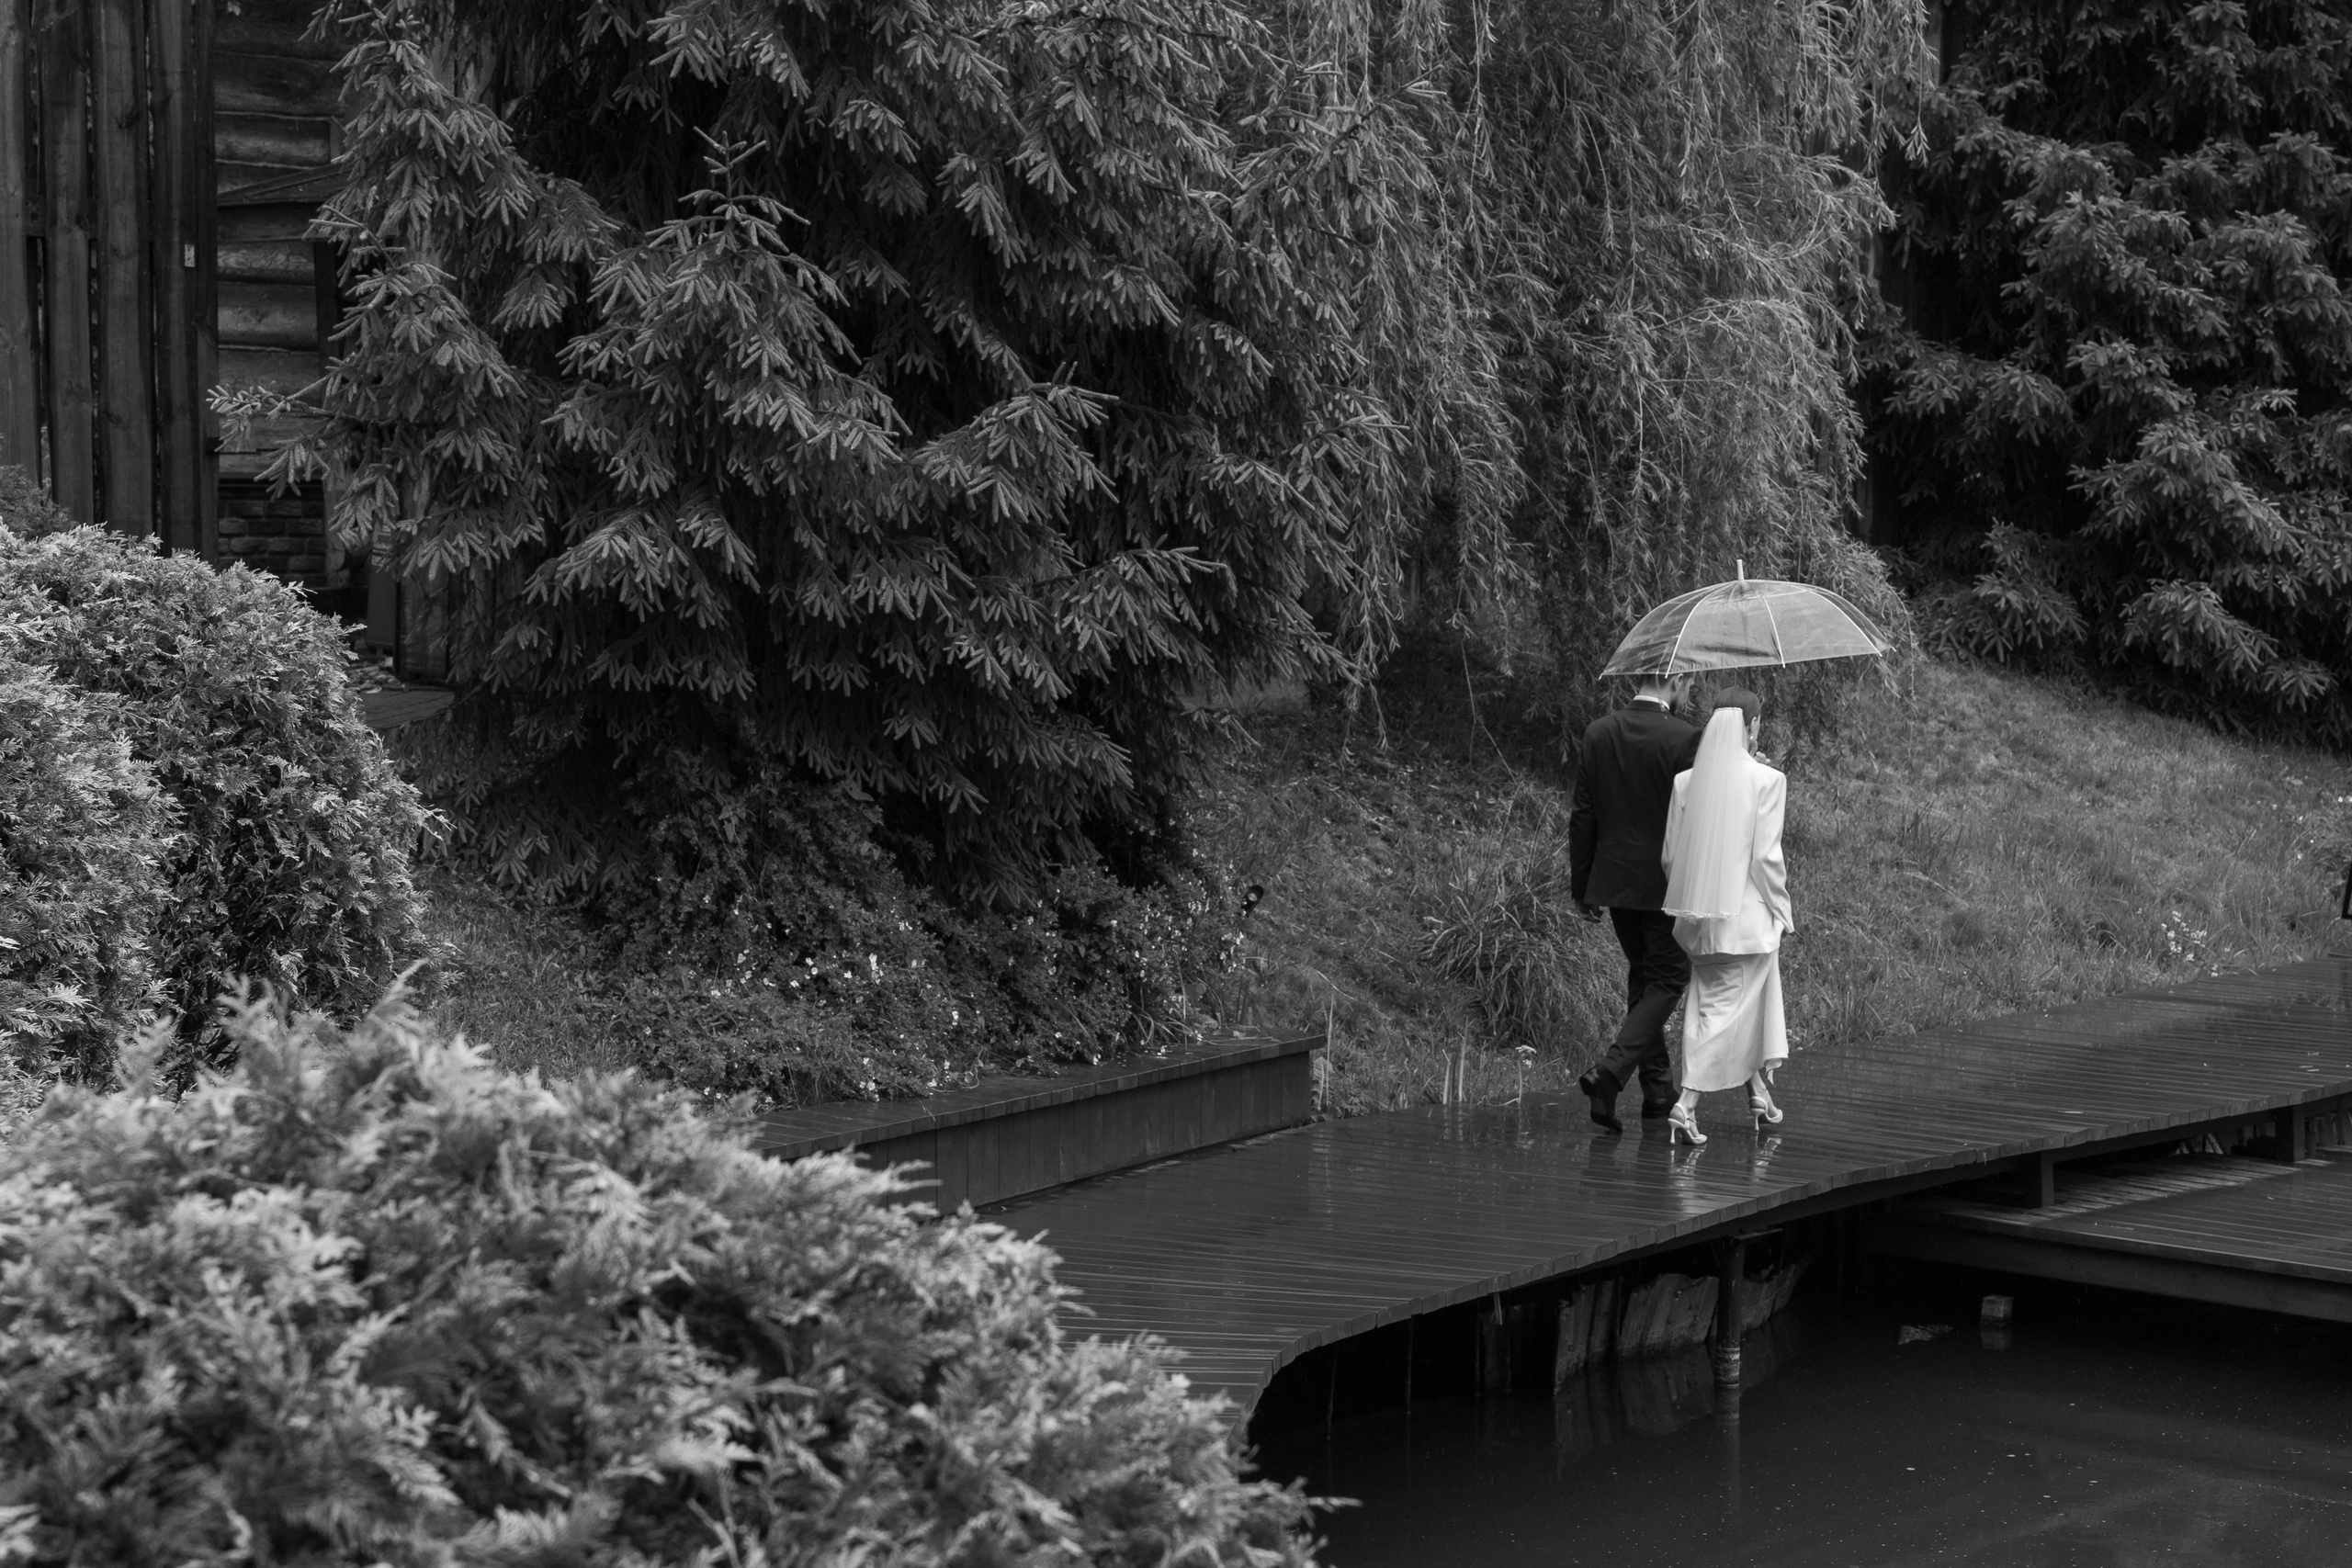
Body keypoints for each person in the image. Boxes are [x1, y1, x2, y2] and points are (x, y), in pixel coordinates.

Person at [1569, 670, 1704, 1132]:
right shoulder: (1686, 738)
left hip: (1614, 881)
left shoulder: (1598, 732)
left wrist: (1583, 884)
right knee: (1668, 978)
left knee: (1644, 978)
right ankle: (1610, 1074)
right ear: (1676, 680)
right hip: (1667, 883)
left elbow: (1584, 814)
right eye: (1691, 684)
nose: (1691, 692)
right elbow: (1699, 815)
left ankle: (1658, 1092)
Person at [1657, 688, 1793, 1146]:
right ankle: (1686, 1103)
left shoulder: (1685, 782)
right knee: (1723, 1012)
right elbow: (1766, 860)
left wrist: (1697, 897)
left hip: (1697, 923)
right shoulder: (1767, 781)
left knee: (1728, 1004)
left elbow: (1670, 859)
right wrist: (1782, 908)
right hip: (1746, 924)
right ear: (1752, 726)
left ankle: (1759, 1095)